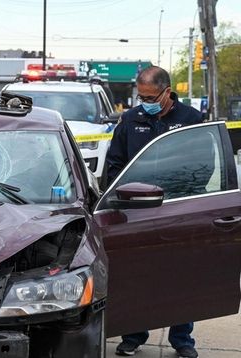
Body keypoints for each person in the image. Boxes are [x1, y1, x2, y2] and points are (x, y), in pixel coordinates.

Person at [106, 66, 202, 358]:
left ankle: (182, 339)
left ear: (167, 92)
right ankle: (133, 335)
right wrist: (116, 201)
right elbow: (115, 163)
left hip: (177, 209)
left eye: (150, 96)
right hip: (137, 210)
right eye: (140, 95)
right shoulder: (131, 119)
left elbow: (202, 165)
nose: (144, 102)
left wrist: (185, 199)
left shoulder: (190, 119)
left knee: (179, 275)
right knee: (138, 274)